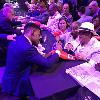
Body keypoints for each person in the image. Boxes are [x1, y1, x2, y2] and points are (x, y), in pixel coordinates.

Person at [2, 22, 60, 99]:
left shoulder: (19, 38)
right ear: (32, 32)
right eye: (38, 34)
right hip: (16, 83)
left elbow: (28, 56)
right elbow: (47, 63)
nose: (40, 37)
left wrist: (47, 55)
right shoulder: (28, 48)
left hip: (8, 77)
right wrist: (58, 52)